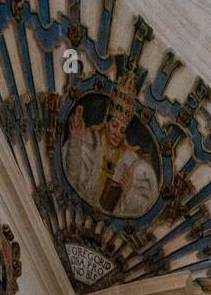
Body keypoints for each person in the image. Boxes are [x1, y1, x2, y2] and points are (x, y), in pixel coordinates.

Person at [62, 76, 158, 218]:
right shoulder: (89, 138)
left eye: (122, 130)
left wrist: (128, 191)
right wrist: (75, 141)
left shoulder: (131, 160)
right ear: (106, 123)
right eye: (114, 125)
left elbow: (142, 205)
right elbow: (72, 175)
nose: (117, 133)